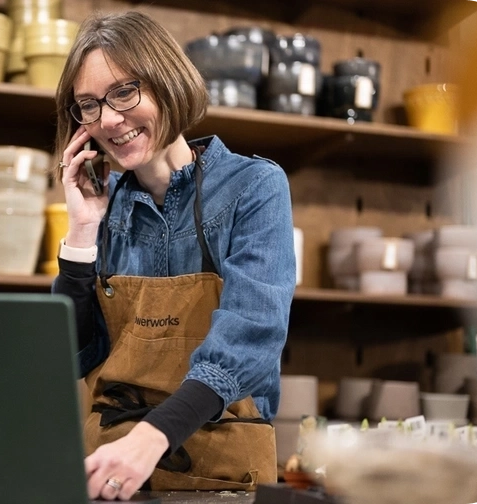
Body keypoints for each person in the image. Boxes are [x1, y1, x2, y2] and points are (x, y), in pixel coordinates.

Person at [50, 10, 295, 501]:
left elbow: (252, 335)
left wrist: (151, 438)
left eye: (124, 92)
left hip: (224, 477)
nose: (110, 120)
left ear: (168, 81)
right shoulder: (106, 207)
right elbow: (76, 354)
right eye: (89, 105)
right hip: (117, 475)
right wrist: (81, 233)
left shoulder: (254, 187)